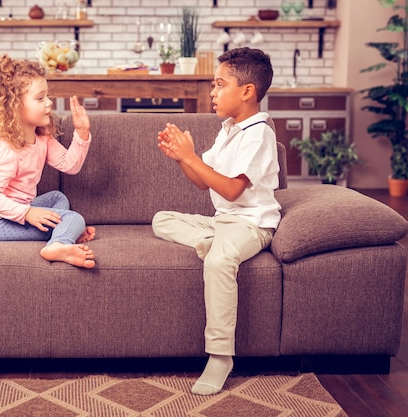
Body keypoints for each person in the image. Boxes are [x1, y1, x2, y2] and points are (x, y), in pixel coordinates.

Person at [152, 47, 281, 395]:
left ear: (247, 91)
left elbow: (232, 190)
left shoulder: (258, 134)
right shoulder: (228, 129)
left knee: (221, 261)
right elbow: (203, 179)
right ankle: (207, 243)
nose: (213, 91)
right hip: (223, 223)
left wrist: (192, 156)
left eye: (220, 84)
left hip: (251, 224)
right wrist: (183, 159)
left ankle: (221, 355)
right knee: (161, 220)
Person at [0, 54, 96, 268]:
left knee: (57, 197)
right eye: (40, 98)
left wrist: (82, 132)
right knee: (74, 218)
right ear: (14, 106)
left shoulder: (41, 138)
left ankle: (63, 233)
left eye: (47, 96)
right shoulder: (6, 148)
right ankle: (58, 244)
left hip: (17, 210)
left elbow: (69, 165)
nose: (49, 103)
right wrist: (27, 213)